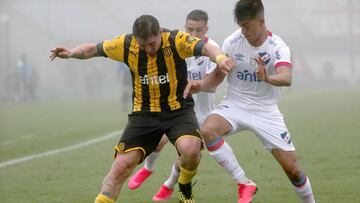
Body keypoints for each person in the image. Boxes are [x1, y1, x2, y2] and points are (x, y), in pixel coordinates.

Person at [49, 14, 234, 203]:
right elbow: (93, 49)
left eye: (152, 44)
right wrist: (71, 53)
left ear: (159, 33)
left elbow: (206, 47)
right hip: (143, 114)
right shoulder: (126, 44)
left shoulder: (175, 40)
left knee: (191, 149)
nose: (148, 49)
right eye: (143, 45)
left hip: (178, 110)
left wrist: (219, 58)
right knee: (120, 167)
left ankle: (184, 187)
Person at [184, 1, 316, 203]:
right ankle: (244, 182)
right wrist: (200, 85)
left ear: (261, 21)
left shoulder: (278, 47)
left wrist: (268, 78)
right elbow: (217, 78)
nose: (243, 31)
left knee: (294, 172)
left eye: (247, 26)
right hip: (235, 104)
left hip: (266, 111)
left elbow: (286, 77)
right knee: (208, 130)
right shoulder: (232, 42)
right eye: (240, 25)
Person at [127, 10, 219, 201]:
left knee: (186, 157)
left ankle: (169, 185)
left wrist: (198, 84)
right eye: (190, 29)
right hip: (177, 107)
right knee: (158, 140)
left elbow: (211, 82)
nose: (194, 34)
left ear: (206, 29)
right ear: (185, 28)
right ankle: (148, 169)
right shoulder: (179, 43)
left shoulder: (211, 48)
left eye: (199, 30)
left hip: (201, 113)